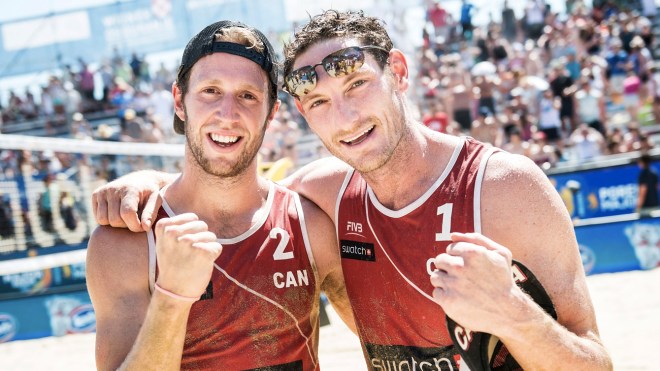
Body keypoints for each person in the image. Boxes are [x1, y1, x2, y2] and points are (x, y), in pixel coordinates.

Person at [93, 10, 612, 370]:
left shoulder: (503, 187)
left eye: (357, 85)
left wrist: (513, 314)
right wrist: (148, 189)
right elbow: (223, 188)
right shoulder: (323, 198)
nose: (344, 117)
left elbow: (597, 363)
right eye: (318, 101)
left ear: (399, 72)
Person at [86, 20, 352, 371]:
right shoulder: (125, 242)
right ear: (180, 102)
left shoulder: (310, 224)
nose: (228, 114)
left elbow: (389, 335)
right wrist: (173, 296)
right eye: (211, 91)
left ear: (271, 113)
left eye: (247, 96)